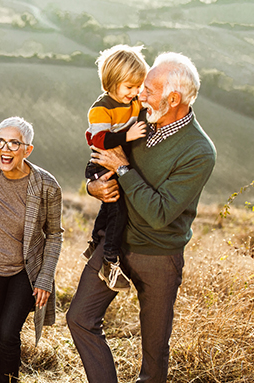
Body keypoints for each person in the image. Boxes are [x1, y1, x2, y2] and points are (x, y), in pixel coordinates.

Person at [66, 52, 216, 383]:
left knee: (154, 340)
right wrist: (94, 186)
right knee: (80, 317)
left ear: (174, 99)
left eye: (148, 90)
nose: (140, 96)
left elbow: (160, 212)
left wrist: (123, 168)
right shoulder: (139, 121)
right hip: (114, 243)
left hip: (158, 254)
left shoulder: (198, 151)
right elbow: (101, 156)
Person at [0, 116, 63, 383]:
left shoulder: (46, 185)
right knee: (0, 329)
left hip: (26, 271)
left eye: (14, 143)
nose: (5, 148)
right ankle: (5, 379)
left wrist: (45, 278)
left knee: (8, 332)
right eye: (0, 141)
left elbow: (55, 234)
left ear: (28, 149)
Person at [83, 44, 149, 292]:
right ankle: (109, 261)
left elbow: (143, 108)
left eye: (138, 87)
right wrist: (127, 136)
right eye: (129, 87)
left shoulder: (131, 101)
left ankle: (94, 243)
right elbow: (98, 140)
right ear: (111, 82)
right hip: (100, 164)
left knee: (110, 207)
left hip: (114, 160)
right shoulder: (101, 108)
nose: (134, 92)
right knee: (118, 210)